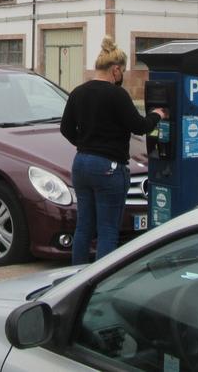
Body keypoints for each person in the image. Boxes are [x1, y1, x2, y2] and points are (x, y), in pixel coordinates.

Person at [60, 36, 167, 265]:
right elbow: (139, 126)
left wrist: (85, 143)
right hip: (108, 167)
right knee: (108, 229)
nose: (122, 77)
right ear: (115, 70)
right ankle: (100, 283)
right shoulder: (117, 94)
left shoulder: (78, 92)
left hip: (81, 163)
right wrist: (157, 115)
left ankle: (75, 277)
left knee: (84, 227)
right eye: (123, 72)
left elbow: (65, 128)